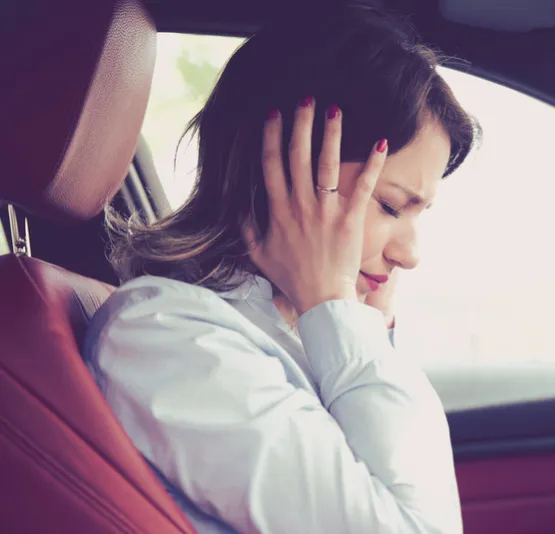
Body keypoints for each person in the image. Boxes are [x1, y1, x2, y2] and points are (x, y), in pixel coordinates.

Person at [83, 2, 479, 533]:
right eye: (388, 206)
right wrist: (339, 315)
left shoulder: (291, 334)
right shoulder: (166, 339)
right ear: (285, 172)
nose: (410, 254)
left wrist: (353, 329)